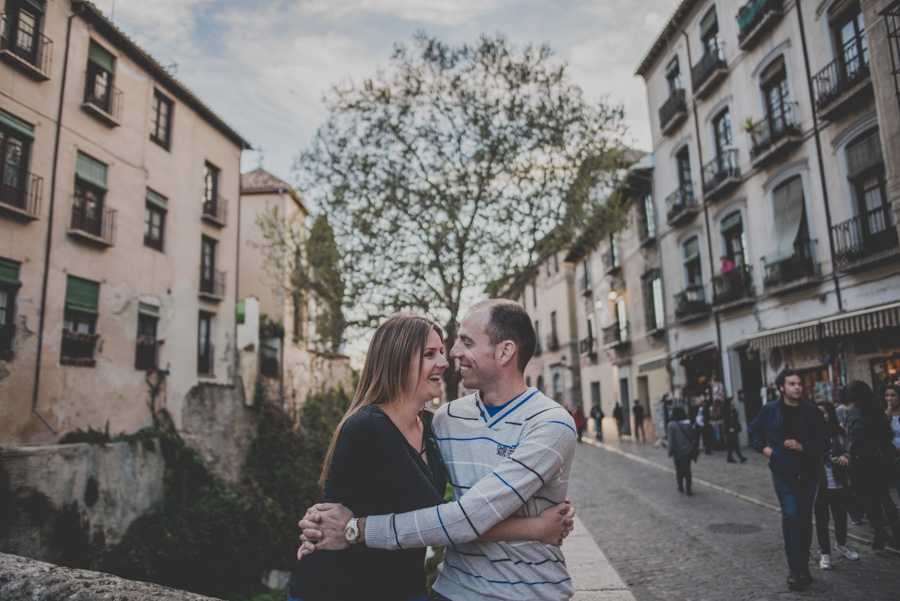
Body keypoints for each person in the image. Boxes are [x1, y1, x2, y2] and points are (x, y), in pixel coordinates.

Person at [298, 300, 578, 601]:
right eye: (432, 353)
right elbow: (450, 517)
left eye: (464, 343)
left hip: (522, 591)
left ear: (505, 351)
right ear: (397, 362)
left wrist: (354, 529)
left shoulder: (549, 423)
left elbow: (458, 518)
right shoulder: (442, 420)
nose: (451, 356)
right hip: (410, 589)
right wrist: (534, 527)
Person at [747, 368, 825, 591]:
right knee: (791, 515)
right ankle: (794, 569)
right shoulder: (770, 410)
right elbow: (753, 430)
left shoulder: (812, 412)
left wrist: (804, 446)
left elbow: (825, 442)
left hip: (808, 473)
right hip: (783, 472)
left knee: (803, 520)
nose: (797, 387)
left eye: (799, 383)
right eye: (792, 384)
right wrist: (764, 449)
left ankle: (803, 567)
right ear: (782, 387)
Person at [845, 380, 900, 550]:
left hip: (864, 461)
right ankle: (896, 534)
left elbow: (856, 435)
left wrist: (850, 452)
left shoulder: (855, 409)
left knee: (866, 498)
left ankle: (879, 532)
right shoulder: (874, 407)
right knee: (885, 498)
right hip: (880, 460)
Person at [814, 401, 859, 570]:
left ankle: (841, 543)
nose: (820, 417)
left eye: (823, 413)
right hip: (821, 485)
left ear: (830, 414)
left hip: (839, 482)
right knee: (822, 520)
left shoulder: (838, 432)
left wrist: (846, 456)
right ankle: (825, 553)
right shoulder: (810, 434)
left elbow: (849, 448)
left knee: (841, 517)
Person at [667, 407, 695, 496]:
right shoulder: (688, 423)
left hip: (677, 451)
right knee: (687, 469)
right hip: (688, 449)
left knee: (679, 469)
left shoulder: (671, 425)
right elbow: (692, 436)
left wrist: (670, 451)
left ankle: (680, 485)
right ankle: (688, 487)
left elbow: (671, 440)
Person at [885, 385, 900, 502]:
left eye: (893, 395)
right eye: (887, 395)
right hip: (894, 455)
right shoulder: (883, 416)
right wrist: (885, 418)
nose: (890, 398)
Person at [724, 397, 747, 464]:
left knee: (732, 445)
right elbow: (726, 421)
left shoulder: (734, 410)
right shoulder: (727, 411)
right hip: (730, 430)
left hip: (734, 429)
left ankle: (729, 458)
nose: (734, 402)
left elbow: (736, 420)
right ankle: (741, 457)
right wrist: (728, 428)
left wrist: (738, 427)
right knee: (734, 444)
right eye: (732, 401)